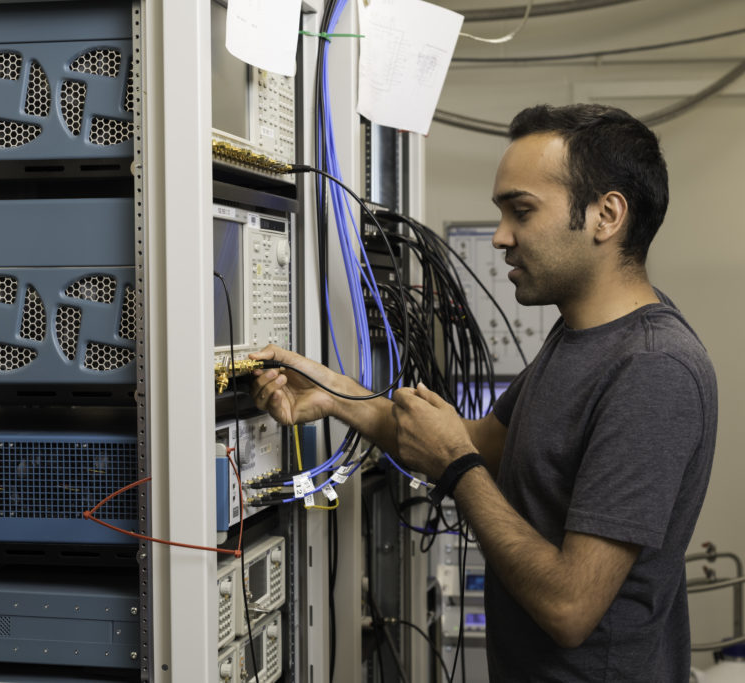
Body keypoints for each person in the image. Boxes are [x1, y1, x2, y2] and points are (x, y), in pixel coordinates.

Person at [250, 103, 717, 681]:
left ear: (606, 215)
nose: (500, 237)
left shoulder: (653, 369)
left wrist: (457, 467)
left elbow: (571, 607)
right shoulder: (578, 339)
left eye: (521, 211)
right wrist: (334, 395)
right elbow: (477, 441)